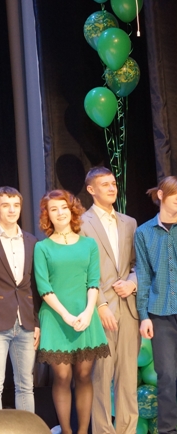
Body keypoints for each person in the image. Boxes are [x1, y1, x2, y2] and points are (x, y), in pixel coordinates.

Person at [34, 189, 110, 434]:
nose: (60, 213)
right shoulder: (42, 247)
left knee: (84, 376)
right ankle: (66, 431)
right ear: (47, 215)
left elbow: (93, 281)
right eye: (53, 209)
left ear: (72, 210)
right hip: (56, 318)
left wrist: (88, 312)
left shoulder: (89, 244)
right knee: (62, 377)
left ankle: (83, 431)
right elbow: (43, 286)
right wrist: (65, 315)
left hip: (86, 315)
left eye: (63, 207)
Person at [80, 168, 138, 434]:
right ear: (91, 190)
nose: (112, 188)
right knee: (101, 378)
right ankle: (103, 431)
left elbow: (138, 264)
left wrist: (132, 283)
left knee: (128, 378)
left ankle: (128, 430)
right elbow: (83, 270)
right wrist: (101, 305)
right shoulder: (82, 223)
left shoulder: (129, 222)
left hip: (129, 307)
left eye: (113, 183)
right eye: (105, 184)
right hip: (99, 310)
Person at [0, 186, 39, 412]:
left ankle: (27, 428)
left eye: (16, 205)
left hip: (25, 321)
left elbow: (34, 286)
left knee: (26, 385)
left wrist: (36, 322)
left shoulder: (32, 241)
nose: (12, 210)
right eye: (5, 205)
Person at [136, 176, 177, 434]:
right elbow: (142, 275)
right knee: (167, 376)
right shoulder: (144, 232)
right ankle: (168, 430)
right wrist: (143, 316)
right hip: (160, 312)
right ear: (161, 195)